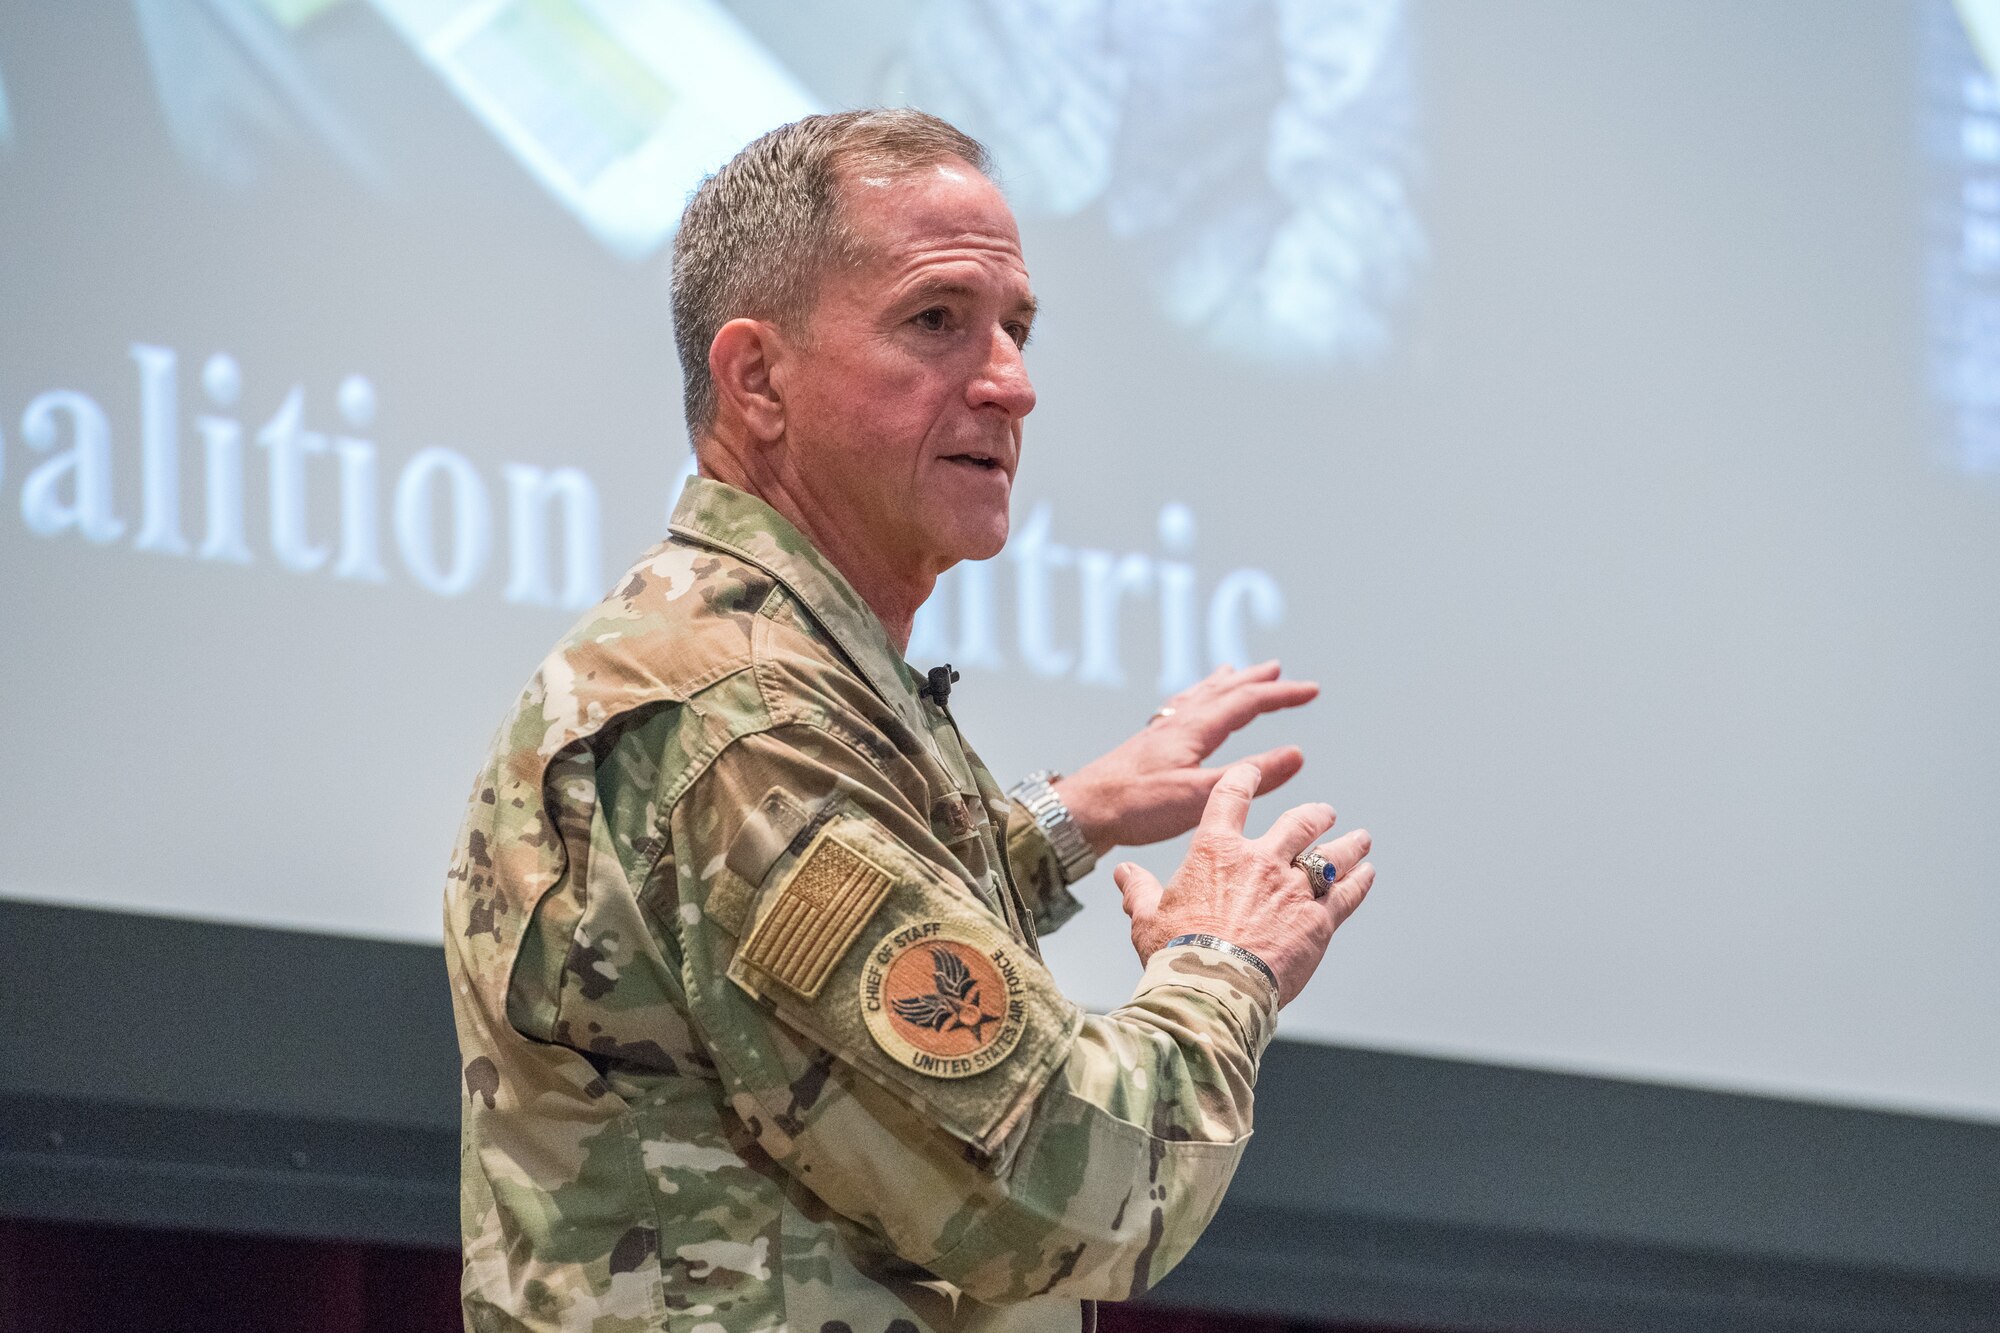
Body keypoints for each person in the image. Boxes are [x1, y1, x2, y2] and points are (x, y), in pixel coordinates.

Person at [443, 109, 1375, 1333]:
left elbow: (788, 933)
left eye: (1017, 329)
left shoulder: (769, 666)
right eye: (937, 321)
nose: (1012, 382)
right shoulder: (742, 720)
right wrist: (1223, 961)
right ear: (756, 378)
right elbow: (1063, 1194)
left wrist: (1063, 821)